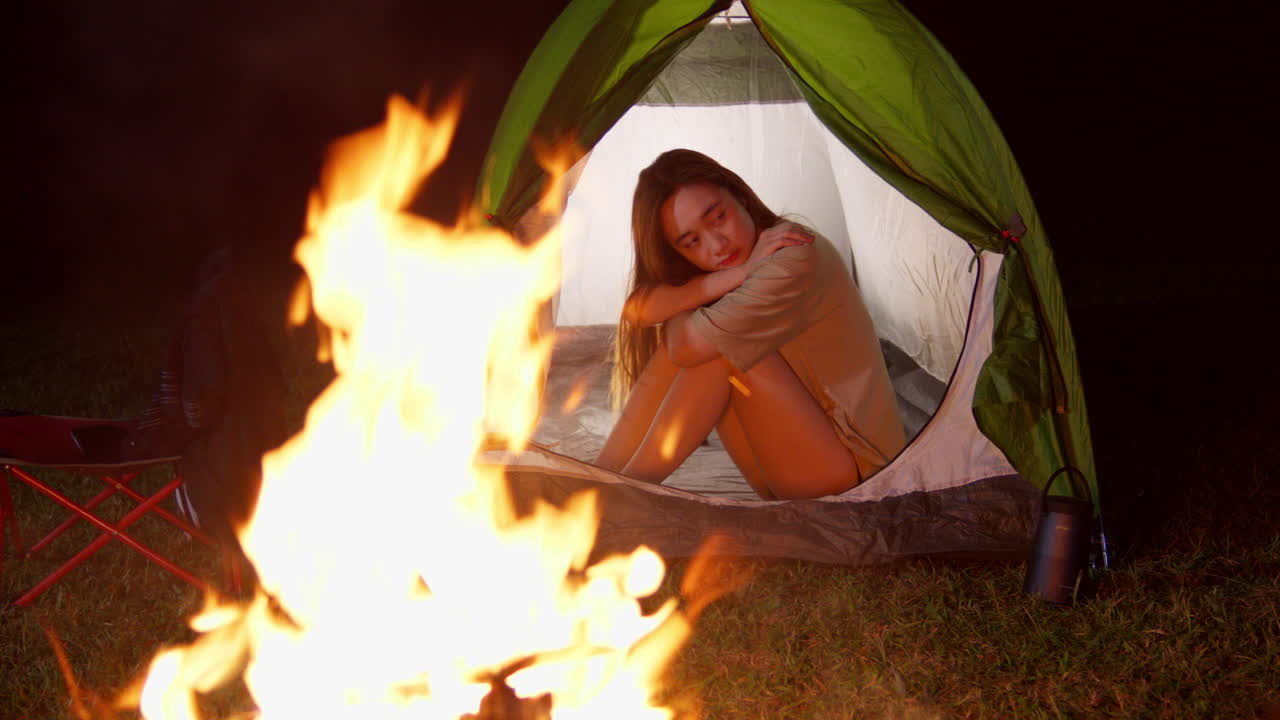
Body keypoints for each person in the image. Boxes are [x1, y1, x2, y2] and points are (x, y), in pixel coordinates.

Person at [595, 149, 905, 500]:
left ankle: (621, 495)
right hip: (791, 468)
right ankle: (597, 477)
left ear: (739, 195)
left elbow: (684, 347)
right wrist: (737, 274)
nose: (717, 244)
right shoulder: (738, 266)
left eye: (718, 217)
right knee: (698, 334)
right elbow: (637, 310)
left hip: (856, 474)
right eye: (692, 241)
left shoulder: (793, 253)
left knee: (714, 352)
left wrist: (690, 303)